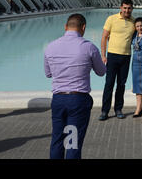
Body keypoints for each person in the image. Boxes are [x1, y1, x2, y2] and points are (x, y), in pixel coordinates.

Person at [44, 13, 106, 159]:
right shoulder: (89, 47)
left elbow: (48, 74)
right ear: (83, 27)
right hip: (77, 100)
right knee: (72, 142)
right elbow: (101, 72)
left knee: (57, 140)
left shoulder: (50, 47)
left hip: (58, 99)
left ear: (65, 27)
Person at [99, 0, 142, 120]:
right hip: (112, 55)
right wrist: (103, 55)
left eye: (129, 8)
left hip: (126, 56)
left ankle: (118, 109)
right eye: (124, 8)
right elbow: (104, 37)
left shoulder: (133, 22)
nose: (126, 10)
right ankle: (105, 111)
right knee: (109, 84)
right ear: (120, 8)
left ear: (132, 9)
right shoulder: (111, 19)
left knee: (121, 84)